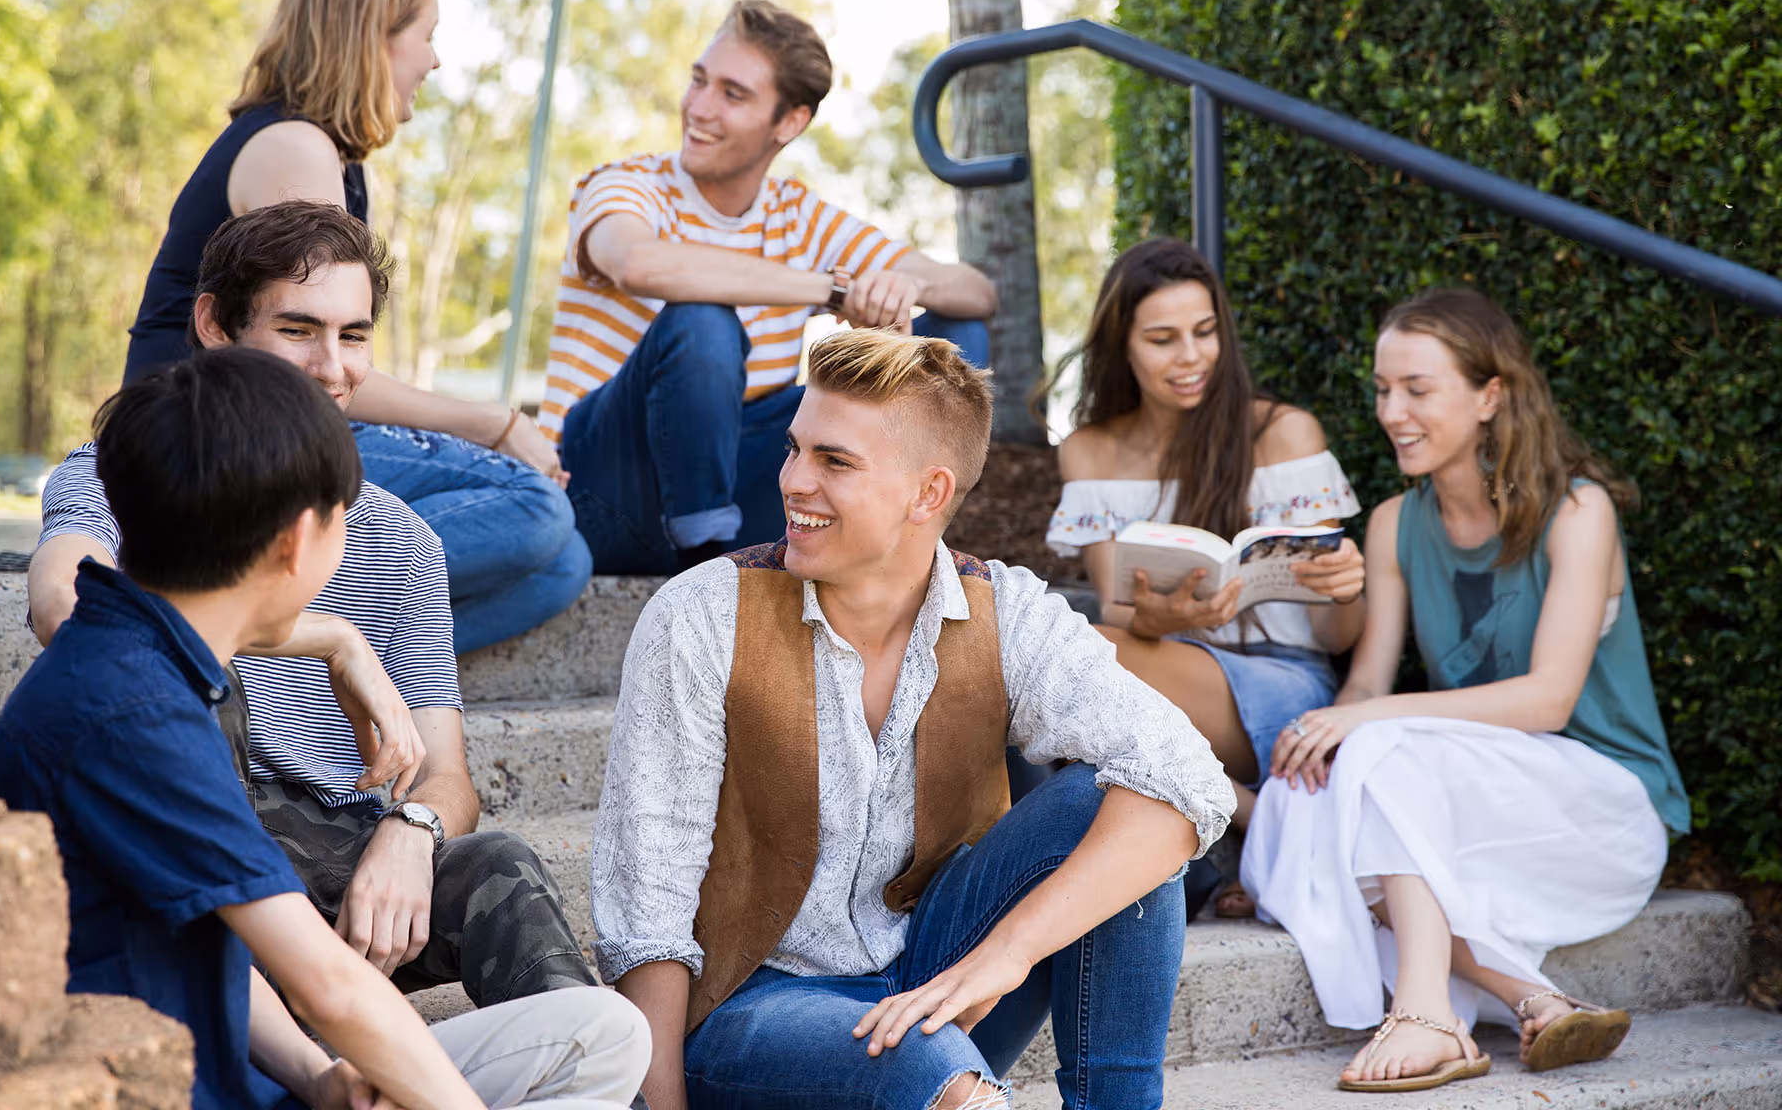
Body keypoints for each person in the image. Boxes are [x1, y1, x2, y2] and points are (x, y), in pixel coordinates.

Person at [0, 347, 649, 1110]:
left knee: (605, 1031)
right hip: (177, 1088)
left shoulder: (136, 650)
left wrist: (315, 1074)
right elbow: (331, 990)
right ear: (299, 541)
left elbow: (217, 944)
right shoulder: (138, 715)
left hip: (251, 1070)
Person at [592, 328, 1236, 1110]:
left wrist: (1004, 956)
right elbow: (648, 910)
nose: (794, 480)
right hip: (754, 1015)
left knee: (1134, 810)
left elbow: (1191, 778)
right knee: (917, 1067)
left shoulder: (1009, 613)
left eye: (835, 461)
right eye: (796, 449)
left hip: (937, 988)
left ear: (928, 493)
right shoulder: (699, 618)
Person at [33, 201, 597, 1013]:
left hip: (341, 853)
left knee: (499, 865)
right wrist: (332, 638)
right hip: (187, 829)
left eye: (355, 335)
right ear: (215, 327)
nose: (332, 367)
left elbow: (448, 777)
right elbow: (67, 604)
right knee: (205, 690)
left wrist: (413, 831)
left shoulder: (401, 539)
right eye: (298, 330)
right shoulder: (125, 471)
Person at [1241, 287, 1690, 1093]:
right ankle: (1532, 998)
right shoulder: (1392, 524)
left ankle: (1425, 1010)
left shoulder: (1576, 512)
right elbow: (1369, 682)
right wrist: (1324, 729)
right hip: (1472, 804)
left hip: (1599, 807)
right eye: (1383, 390)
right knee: (1308, 793)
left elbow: (1549, 701)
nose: (1393, 411)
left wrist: (1364, 718)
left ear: (1490, 395)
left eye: (1418, 389)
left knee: (1367, 758)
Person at [124, 0, 586, 653]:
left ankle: (299, 667)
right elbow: (311, 365)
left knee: (563, 568)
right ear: (372, 40)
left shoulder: (324, 154)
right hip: (207, 437)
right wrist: (493, 424)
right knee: (534, 508)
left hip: (266, 423)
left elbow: (325, 361)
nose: (433, 60)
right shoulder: (292, 149)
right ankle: (228, 618)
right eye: (425, 36)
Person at [541, 0, 1000, 574]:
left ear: (789, 122)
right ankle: (707, 574)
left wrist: (895, 284)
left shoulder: (799, 215)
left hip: (741, 478)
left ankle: (900, 545)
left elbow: (975, 290)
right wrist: (833, 290)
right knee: (701, 322)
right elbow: (636, 262)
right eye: (699, 81)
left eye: (732, 94)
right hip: (603, 487)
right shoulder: (626, 185)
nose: (699, 108)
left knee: (953, 333)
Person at [1044, 238, 1367, 912]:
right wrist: (1163, 619)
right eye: (1163, 339)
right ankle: (1245, 823)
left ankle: (1243, 820)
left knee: (1066, 651)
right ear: (1122, 345)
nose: (1191, 358)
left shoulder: (1281, 434)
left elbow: (1336, 638)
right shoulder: (1091, 450)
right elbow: (1124, 610)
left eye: (1205, 332)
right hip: (1165, 668)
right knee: (1070, 649)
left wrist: (1347, 587)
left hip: (1281, 690)